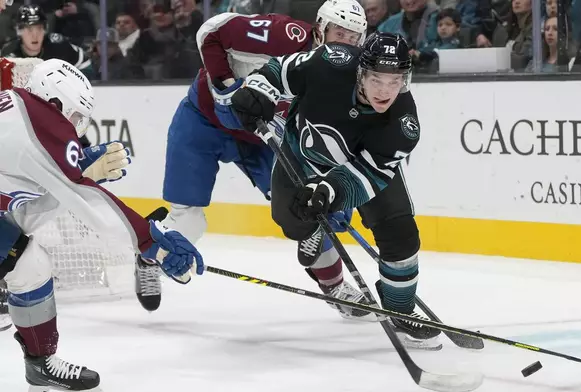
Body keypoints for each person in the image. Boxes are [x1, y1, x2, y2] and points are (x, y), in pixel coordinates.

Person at [134, 0, 370, 319]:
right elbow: (211, 31)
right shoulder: (283, 36)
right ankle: (149, 259)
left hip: (261, 137)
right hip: (204, 122)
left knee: (311, 207)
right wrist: (225, 88)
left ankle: (335, 286)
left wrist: (334, 191)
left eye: (354, 38)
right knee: (187, 221)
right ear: (319, 29)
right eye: (339, 33)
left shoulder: (346, 80)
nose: (345, 43)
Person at [0, 58, 204, 391]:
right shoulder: (41, 120)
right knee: (29, 263)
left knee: (30, 263)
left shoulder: (16, 112)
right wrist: (149, 239)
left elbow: (25, 214)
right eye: (76, 116)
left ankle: (40, 365)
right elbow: (91, 203)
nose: (76, 129)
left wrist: (79, 173)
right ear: (54, 103)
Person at [228, 32, 441, 350]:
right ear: (361, 72)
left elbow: (368, 174)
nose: (385, 91)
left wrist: (329, 190)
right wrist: (257, 91)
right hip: (302, 156)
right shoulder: (329, 62)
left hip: (362, 167)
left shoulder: (403, 124)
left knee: (401, 234)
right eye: (377, 79)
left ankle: (399, 308)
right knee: (290, 218)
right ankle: (311, 230)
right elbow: (281, 71)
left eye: (394, 81)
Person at [1, 5, 91, 74]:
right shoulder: (8, 52)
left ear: (45, 29)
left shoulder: (59, 46)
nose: (35, 35)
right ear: (19, 31)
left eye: (39, 28)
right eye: (29, 29)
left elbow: (85, 64)